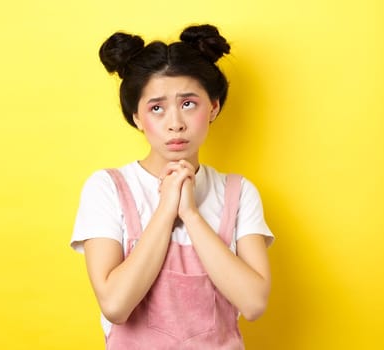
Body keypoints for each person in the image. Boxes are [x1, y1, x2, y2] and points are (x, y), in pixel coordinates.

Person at [70, 24, 274, 349]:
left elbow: (253, 303)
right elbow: (115, 305)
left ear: (214, 107)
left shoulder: (238, 191)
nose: (175, 122)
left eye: (189, 103)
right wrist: (166, 210)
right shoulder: (107, 188)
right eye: (156, 108)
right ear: (136, 117)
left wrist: (190, 214)